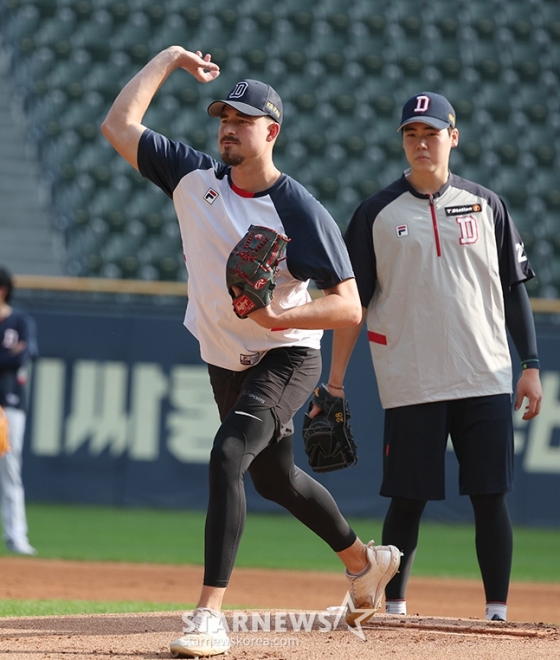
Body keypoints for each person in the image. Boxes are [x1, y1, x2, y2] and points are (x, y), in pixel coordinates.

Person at [101, 46, 401, 657]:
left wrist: (277, 314)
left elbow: (348, 306)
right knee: (276, 481)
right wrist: (167, 60)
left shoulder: (298, 211)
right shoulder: (192, 178)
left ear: (272, 131)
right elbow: (117, 125)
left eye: (242, 120)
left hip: (286, 353)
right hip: (224, 358)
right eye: (223, 119)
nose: (228, 129)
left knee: (228, 453)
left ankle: (208, 615)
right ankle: (363, 563)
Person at [326, 92, 543, 623]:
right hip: (412, 380)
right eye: (411, 134)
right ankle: (396, 609)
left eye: (431, 132)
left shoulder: (487, 204)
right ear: (402, 140)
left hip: (484, 375)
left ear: (453, 137)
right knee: (408, 499)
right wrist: (333, 381)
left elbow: (514, 290)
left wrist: (531, 363)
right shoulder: (376, 213)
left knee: (490, 497)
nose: (421, 143)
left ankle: (496, 612)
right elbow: (351, 304)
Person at [0, 266, 38, 556]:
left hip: (9, 405)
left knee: (10, 470)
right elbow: (11, 357)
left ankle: (17, 536)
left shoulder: (19, 321)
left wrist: (11, 357)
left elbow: (22, 357)